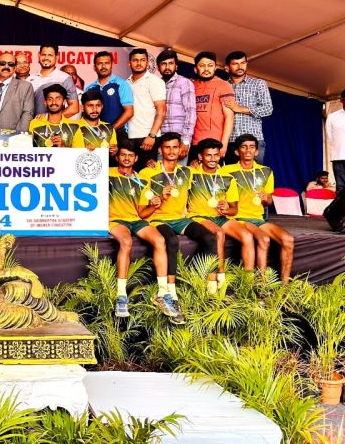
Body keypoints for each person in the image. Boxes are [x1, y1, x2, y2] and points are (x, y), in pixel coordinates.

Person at [139, 132, 219, 321]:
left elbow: (212, 172)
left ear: (181, 149)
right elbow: (142, 202)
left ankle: (209, 290)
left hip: (180, 218)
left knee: (210, 238)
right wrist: (159, 196)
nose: (172, 151)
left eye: (175, 147)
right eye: (167, 147)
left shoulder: (188, 171)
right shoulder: (148, 172)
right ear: (160, 150)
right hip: (157, 218)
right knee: (172, 241)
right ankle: (170, 293)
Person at [108, 141, 176, 320]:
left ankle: (162, 293)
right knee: (126, 241)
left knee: (160, 240)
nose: (127, 158)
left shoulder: (142, 181)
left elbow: (142, 213)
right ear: (117, 157)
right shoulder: (107, 174)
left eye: (130, 155)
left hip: (135, 220)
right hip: (114, 219)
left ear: (136, 158)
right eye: (123, 155)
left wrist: (155, 204)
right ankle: (121, 295)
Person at [221, 134, 294, 282]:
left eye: (252, 147)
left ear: (257, 151)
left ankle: (285, 287)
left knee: (288, 239)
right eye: (244, 147)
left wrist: (267, 199)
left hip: (258, 219)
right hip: (237, 218)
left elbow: (269, 202)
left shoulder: (266, 171)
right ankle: (261, 284)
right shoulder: (225, 171)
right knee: (264, 239)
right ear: (237, 152)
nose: (248, 150)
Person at [187, 138, 256, 290]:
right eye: (208, 155)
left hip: (221, 217)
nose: (213, 159)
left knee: (247, 236)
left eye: (216, 155)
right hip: (198, 217)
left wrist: (226, 209)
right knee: (219, 233)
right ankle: (220, 279)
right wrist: (152, 163)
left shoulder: (227, 177)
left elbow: (234, 210)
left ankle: (248, 284)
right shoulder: (191, 173)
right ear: (200, 156)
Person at [224, 51, 273, 165]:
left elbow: (268, 108)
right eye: (235, 64)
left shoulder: (258, 84)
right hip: (231, 140)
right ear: (227, 67)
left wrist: (240, 109)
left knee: (255, 174)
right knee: (231, 174)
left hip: (254, 140)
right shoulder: (223, 86)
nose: (240, 66)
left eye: (243, 63)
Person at [0, 53, 34, 147]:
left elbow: (27, 113)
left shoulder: (25, 87)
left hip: (12, 140)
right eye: (2, 63)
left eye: (10, 64)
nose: (6, 67)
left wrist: (17, 137)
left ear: (14, 68)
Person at [191, 51, 234, 162]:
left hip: (215, 143)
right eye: (202, 66)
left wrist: (224, 143)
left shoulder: (223, 85)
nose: (206, 69)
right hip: (194, 142)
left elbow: (229, 116)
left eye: (210, 65)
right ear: (195, 69)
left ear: (215, 68)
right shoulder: (191, 86)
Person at [127, 49, 166, 170]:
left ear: (147, 62)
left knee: (148, 175)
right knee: (132, 175)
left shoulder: (155, 81)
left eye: (142, 60)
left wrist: (152, 136)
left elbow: (161, 110)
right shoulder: (126, 83)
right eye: (135, 60)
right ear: (129, 63)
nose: (139, 63)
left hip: (148, 137)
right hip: (130, 137)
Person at [157, 49, 195, 165]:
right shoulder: (156, 84)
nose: (167, 67)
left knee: (179, 173)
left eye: (171, 63)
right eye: (163, 64)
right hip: (160, 138)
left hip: (179, 139)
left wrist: (186, 141)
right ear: (158, 68)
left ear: (176, 66)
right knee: (161, 173)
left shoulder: (184, 83)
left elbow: (191, 112)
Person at [85, 51, 134, 142]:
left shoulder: (121, 84)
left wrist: (109, 131)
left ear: (111, 65)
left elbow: (129, 112)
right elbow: (87, 113)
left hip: (118, 132)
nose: (103, 66)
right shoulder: (90, 88)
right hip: (95, 134)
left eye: (107, 63)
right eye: (100, 64)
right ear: (94, 67)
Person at [29, 45, 79, 118]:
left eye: (50, 55)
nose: (46, 58)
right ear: (39, 55)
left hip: (55, 124)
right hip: (32, 124)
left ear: (56, 57)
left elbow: (74, 108)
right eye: (43, 55)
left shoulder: (65, 78)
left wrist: (48, 118)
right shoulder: (29, 79)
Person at [74, 89, 117, 153]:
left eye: (98, 105)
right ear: (82, 107)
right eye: (90, 105)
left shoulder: (109, 128)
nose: (94, 110)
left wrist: (114, 151)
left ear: (102, 106)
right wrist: (84, 150)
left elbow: (112, 153)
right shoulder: (73, 127)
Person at [326, 89, 345, 194]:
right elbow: (330, 136)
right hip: (339, 158)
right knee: (341, 188)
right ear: (341, 100)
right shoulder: (332, 117)